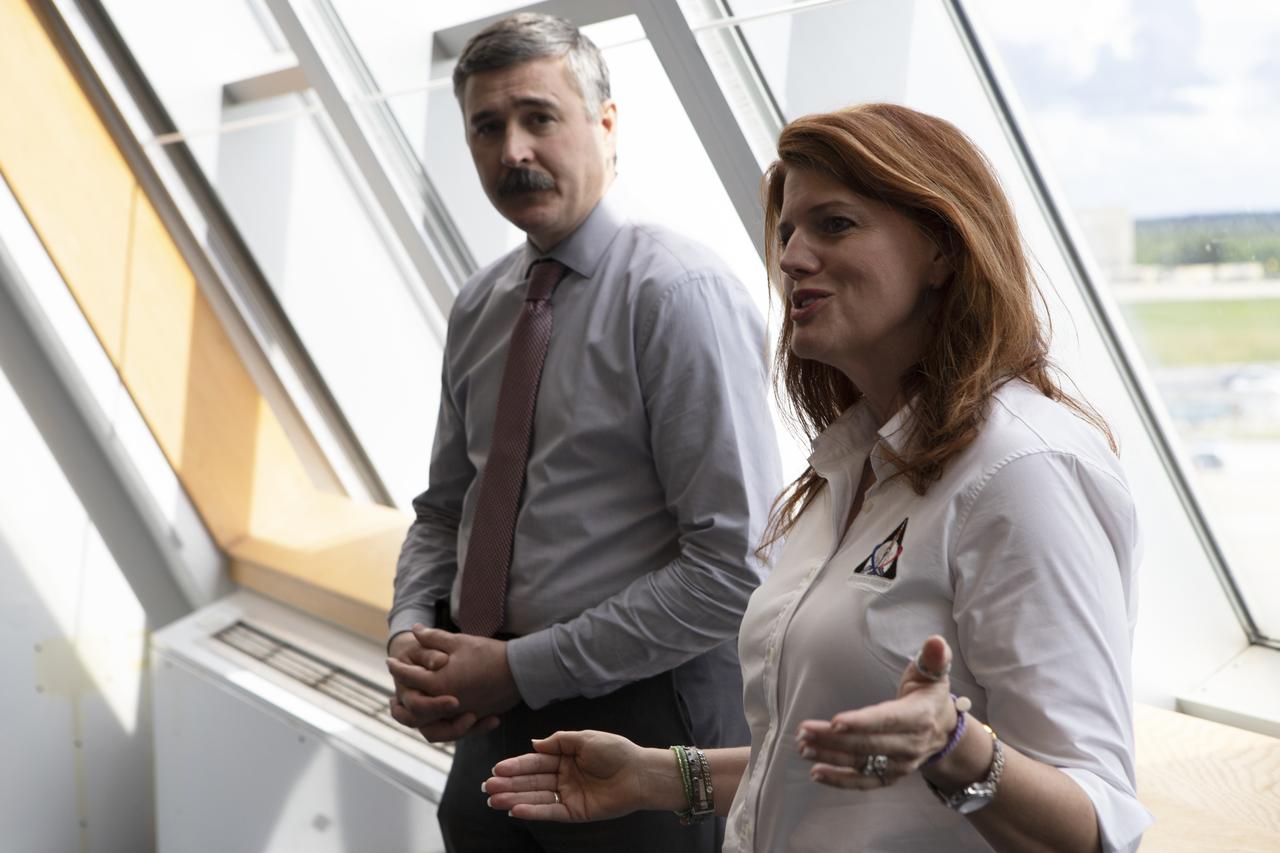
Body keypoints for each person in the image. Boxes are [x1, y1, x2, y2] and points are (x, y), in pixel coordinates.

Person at [482, 103, 1153, 853]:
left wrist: (959, 744)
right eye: (788, 232)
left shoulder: (1024, 470)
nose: (793, 257)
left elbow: (1094, 826)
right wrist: (662, 776)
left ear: (941, 247)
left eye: (834, 224)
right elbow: (835, 766)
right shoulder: (854, 463)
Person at [385, 12, 782, 853]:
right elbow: (444, 511)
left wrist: (517, 667)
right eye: (486, 128)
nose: (513, 151)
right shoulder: (481, 305)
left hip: (648, 720)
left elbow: (732, 567)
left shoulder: (678, 295)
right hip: (490, 720)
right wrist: (411, 635)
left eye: (539, 117)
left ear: (605, 124)